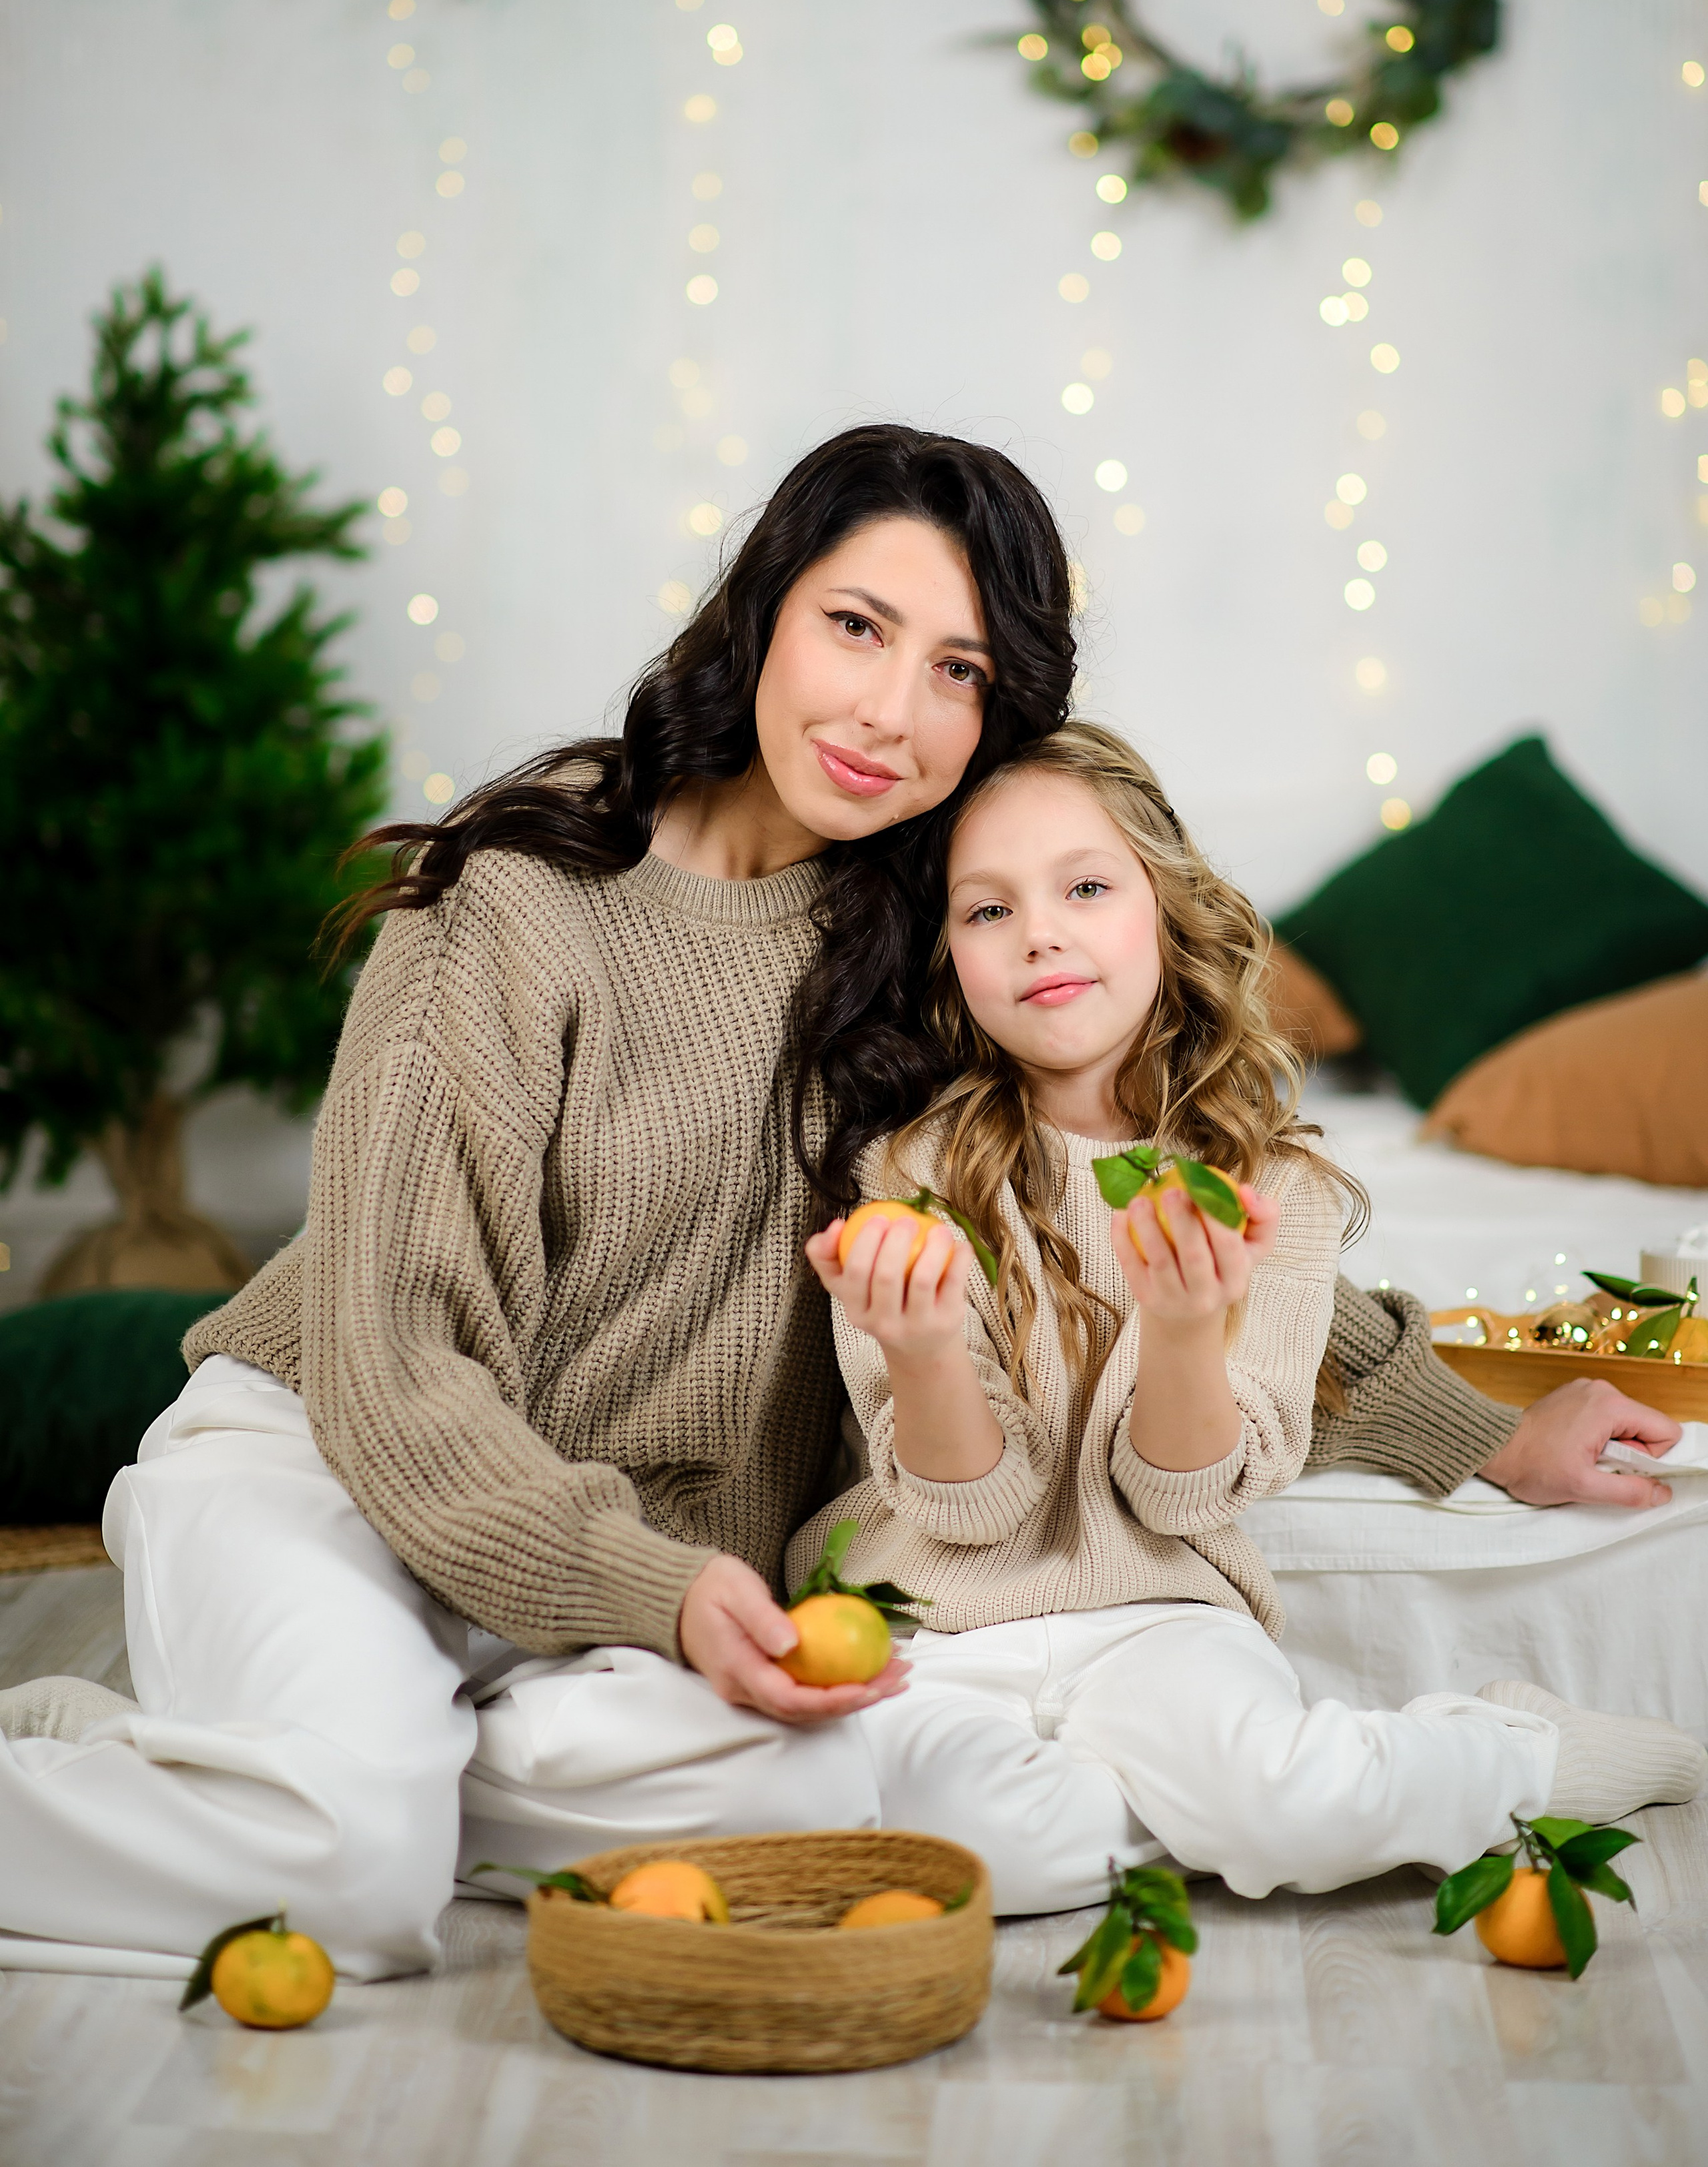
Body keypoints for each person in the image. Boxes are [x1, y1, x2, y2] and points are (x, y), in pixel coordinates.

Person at [0, 429, 1685, 1978]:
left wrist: (1467, 1434)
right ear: (761, 618)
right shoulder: (512, 908)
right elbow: (392, 1361)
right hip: (346, 1465)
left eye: (958, 671)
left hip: (610, 1580)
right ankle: (301, 1785)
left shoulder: (936, 934)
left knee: (982, 1819)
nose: (891, 711)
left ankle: (230, 1770)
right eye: (857, 628)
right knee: (359, 1876)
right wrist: (648, 1592)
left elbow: (1145, 1199)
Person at [787, 723, 1703, 1899]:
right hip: (937, 1619)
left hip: (1158, 1613)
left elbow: (1178, 1497)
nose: (1042, 933)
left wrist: (1181, 1328)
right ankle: (1211, 1800)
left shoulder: (1275, 1193)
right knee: (967, 1857)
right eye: (987, 910)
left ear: (1165, 914)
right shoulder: (907, 1174)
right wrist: (918, 1353)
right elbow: (973, 1511)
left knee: (1286, 1811)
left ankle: (1516, 1752)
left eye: (1085, 886)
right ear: (948, 958)